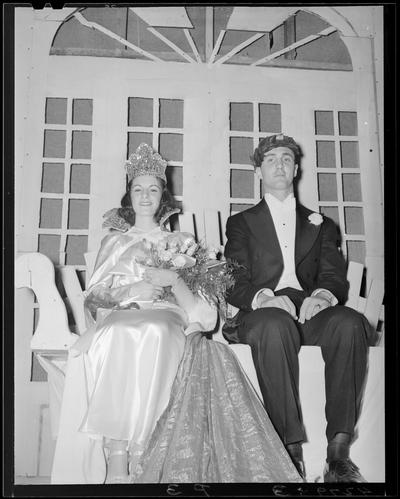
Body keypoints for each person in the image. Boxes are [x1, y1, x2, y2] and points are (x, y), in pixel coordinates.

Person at [51, 143, 302, 484]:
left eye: (153, 189)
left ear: (163, 197)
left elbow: (204, 310)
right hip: (121, 313)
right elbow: (93, 298)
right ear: (128, 195)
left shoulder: (181, 242)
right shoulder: (114, 243)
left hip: (168, 316)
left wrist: (173, 281)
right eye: (138, 189)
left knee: (155, 331)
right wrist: (131, 292)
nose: (145, 196)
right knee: (120, 333)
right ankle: (117, 449)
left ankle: (144, 447)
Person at [223, 134, 377, 483]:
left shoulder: (320, 223)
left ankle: (337, 455)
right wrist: (263, 296)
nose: (279, 164)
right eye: (271, 159)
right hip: (261, 313)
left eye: (286, 159)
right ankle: (289, 453)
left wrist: (322, 294)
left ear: (295, 169)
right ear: (260, 170)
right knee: (274, 324)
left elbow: (333, 275)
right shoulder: (241, 223)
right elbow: (233, 280)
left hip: (308, 312)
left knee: (350, 322)